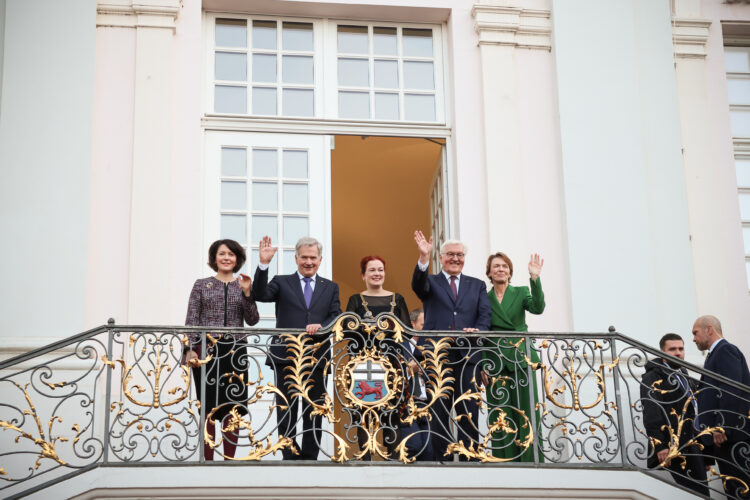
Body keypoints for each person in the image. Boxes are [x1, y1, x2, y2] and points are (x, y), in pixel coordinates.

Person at [252, 236, 341, 461]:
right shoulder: (282, 282)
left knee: (315, 408)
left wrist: (323, 326)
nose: (308, 262)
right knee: (287, 407)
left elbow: (336, 315)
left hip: (317, 356)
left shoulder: (330, 287)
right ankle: (289, 455)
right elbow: (260, 295)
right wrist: (263, 264)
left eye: (313, 258)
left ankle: (310, 456)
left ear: (320, 260)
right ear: (296, 258)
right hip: (286, 355)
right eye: (304, 257)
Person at [411, 231, 491, 461]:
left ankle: (469, 460)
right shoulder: (431, 281)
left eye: (460, 254)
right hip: (438, 354)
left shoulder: (477, 285)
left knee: (468, 410)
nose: (455, 258)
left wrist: (479, 331)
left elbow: (484, 317)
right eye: (450, 254)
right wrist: (423, 258)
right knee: (439, 409)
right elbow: (418, 286)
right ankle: (442, 461)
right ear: (442, 257)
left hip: (468, 356)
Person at [184, 239, 260, 460]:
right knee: (208, 408)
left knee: (233, 408)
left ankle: (230, 460)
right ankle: (208, 460)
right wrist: (189, 349)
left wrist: (247, 293)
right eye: (222, 254)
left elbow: (252, 320)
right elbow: (191, 319)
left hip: (236, 352)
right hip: (207, 351)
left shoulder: (243, 284)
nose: (226, 258)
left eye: (231, 254)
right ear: (214, 258)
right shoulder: (201, 284)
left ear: (237, 259)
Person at [345, 255, 411, 459]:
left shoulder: (397, 299)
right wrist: (367, 327)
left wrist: (388, 326)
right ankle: (365, 459)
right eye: (372, 270)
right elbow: (347, 330)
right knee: (362, 412)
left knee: (392, 412)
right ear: (363, 275)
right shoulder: (356, 299)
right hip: (362, 363)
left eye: (380, 269)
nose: (377, 273)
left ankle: (394, 458)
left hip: (391, 363)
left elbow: (406, 331)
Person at [481, 252, 545, 462]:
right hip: (495, 360)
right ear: (489, 272)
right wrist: (481, 363)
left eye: (505, 266)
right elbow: (481, 331)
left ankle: (531, 460)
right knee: (500, 415)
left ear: (510, 272)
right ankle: (504, 461)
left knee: (526, 411)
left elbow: (538, 308)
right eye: (496, 266)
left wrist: (535, 278)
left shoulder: (520, 291)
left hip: (521, 357)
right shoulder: (484, 297)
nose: (501, 269)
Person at [640, 333, 709, 496]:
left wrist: (706, 453)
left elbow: (696, 411)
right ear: (662, 353)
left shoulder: (686, 377)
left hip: (694, 445)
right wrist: (660, 445)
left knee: (700, 492)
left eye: (681, 348)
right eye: (672, 349)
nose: (678, 353)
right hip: (674, 446)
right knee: (696, 493)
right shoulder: (652, 377)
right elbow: (651, 411)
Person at [693, 315, 750, 498]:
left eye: (696, 333)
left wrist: (721, 427)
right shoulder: (715, 354)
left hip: (730, 435)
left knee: (739, 489)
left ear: (709, 329)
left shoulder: (725, 350)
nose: (693, 338)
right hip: (725, 437)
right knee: (732, 488)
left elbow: (731, 389)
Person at [399, 308, 434, 461]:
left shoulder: (432, 346)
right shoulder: (400, 346)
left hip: (429, 405)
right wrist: (409, 370)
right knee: (413, 446)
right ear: (412, 324)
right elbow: (391, 373)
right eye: (422, 325)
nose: (426, 329)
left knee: (430, 450)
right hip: (407, 404)